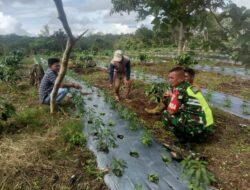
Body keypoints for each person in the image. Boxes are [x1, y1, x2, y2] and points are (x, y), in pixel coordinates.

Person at [162, 66, 214, 142]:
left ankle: (184, 138)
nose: (169, 80)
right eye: (169, 78)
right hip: (208, 126)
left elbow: (171, 111)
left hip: (200, 131)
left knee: (166, 114)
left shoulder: (180, 89)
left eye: (172, 78)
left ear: (181, 79)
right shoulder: (191, 87)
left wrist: (171, 98)